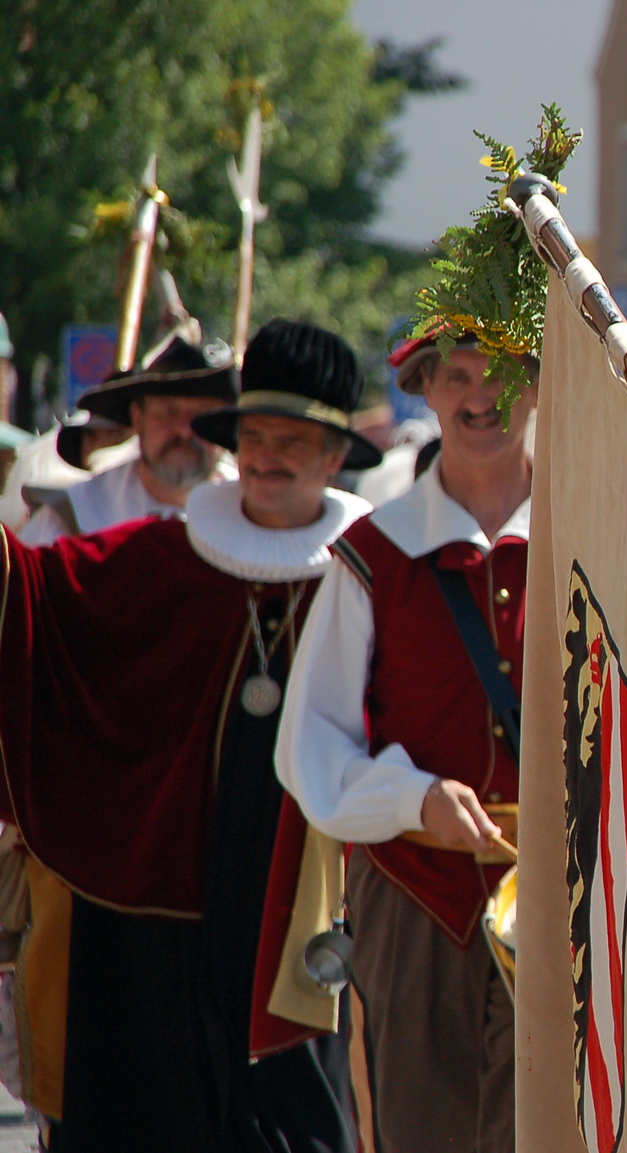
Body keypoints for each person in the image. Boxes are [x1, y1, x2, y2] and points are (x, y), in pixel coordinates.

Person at [0, 319, 379, 1152]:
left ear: (331, 457)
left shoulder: (377, 581)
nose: (268, 457)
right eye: (255, 437)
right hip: (158, 913)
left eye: (292, 441)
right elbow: (33, 600)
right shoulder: (155, 559)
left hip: (306, 912)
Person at [277, 330, 535, 1153]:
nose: (480, 395)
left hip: (558, 903)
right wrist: (414, 800)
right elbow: (309, 745)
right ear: (426, 389)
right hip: (416, 899)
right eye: (456, 375)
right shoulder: (374, 554)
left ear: (538, 389)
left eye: (502, 374)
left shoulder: (587, 538)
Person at [18, 326, 238, 544]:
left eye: (202, 416)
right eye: (168, 413)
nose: (184, 430)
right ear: (138, 418)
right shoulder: (73, 519)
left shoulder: (251, 516)